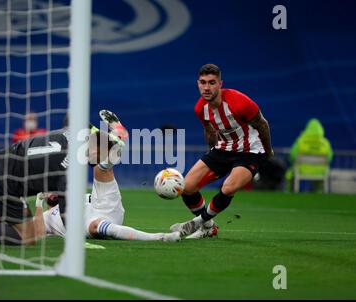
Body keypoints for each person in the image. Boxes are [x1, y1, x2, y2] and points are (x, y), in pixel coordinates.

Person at [0, 110, 178, 245]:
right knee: (28, 236)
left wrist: (116, 128)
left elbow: (105, 143)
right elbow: (69, 219)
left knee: (20, 215)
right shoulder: (70, 171)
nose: (100, 160)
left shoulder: (78, 133)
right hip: (6, 179)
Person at [170, 64, 273, 239]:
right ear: (198, 84)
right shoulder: (200, 108)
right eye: (203, 82)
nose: (207, 87)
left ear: (220, 84)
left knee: (228, 187)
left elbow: (262, 124)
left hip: (250, 152)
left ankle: (195, 223)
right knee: (186, 187)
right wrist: (211, 151)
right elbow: (209, 130)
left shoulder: (240, 102)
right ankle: (208, 227)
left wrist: (267, 149)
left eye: (212, 82)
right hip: (223, 149)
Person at [33, 125, 180, 242]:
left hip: (104, 204)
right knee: (95, 226)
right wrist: (39, 202)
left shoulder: (74, 196)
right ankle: (158, 237)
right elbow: (37, 233)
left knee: (99, 168)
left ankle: (115, 145)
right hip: (89, 223)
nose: (51, 190)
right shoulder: (47, 215)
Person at [285, 118, 333, 191]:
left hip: (301, 170)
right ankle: (318, 194)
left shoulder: (301, 141)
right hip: (320, 171)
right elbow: (329, 158)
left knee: (290, 173)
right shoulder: (325, 143)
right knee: (320, 181)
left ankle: (289, 193)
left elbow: (292, 155)